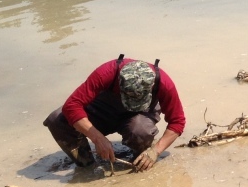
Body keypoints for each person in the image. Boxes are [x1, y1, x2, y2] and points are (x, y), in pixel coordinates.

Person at [43, 55, 186, 172]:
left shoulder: (164, 83)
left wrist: (156, 151)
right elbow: (71, 106)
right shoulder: (106, 73)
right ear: (119, 82)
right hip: (103, 111)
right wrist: (97, 138)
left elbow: (177, 121)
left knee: (140, 130)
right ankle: (86, 165)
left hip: (138, 118)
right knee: (56, 120)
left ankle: (141, 156)